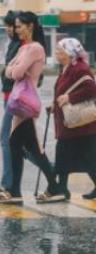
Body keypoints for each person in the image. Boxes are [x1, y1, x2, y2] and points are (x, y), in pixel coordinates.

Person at [0, 11, 65, 204]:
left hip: (25, 101)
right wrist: (13, 69)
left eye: (19, 26)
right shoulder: (24, 48)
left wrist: (13, 69)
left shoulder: (35, 49)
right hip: (18, 101)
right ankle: (18, 191)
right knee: (19, 145)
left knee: (28, 146)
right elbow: (8, 69)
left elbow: (15, 73)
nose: (16, 30)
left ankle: (52, 186)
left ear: (30, 27)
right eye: (15, 26)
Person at [49, 37, 96, 201]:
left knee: (87, 159)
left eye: (59, 50)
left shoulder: (80, 68)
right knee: (72, 157)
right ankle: (62, 189)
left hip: (81, 126)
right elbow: (62, 92)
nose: (56, 53)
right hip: (70, 124)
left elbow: (91, 89)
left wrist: (70, 98)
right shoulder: (66, 68)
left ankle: (62, 189)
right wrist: (55, 105)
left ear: (69, 53)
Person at [0, 10, 22, 196]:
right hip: (9, 98)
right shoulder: (14, 44)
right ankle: (55, 171)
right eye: (7, 26)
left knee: (7, 140)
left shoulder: (22, 46)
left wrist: (6, 74)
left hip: (15, 100)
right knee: (21, 143)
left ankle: (7, 184)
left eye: (12, 26)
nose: (8, 29)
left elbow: (18, 73)